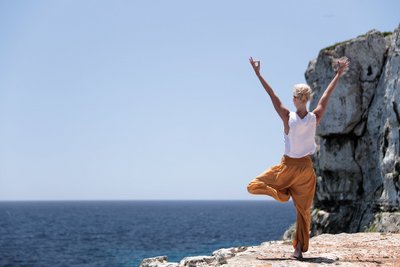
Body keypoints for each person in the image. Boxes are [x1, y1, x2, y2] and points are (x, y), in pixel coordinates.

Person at [247, 56, 350, 259]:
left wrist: (258, 74)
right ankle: (298, 251)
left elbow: (272, 95)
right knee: (303, 212)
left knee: (253, 185)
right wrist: (338, 74)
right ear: (308, 99)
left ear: (295, 99)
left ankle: (282, 195)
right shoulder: (315, 117)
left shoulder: (287, 116)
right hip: (305, 171)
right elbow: (326, 97)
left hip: (287, 168)